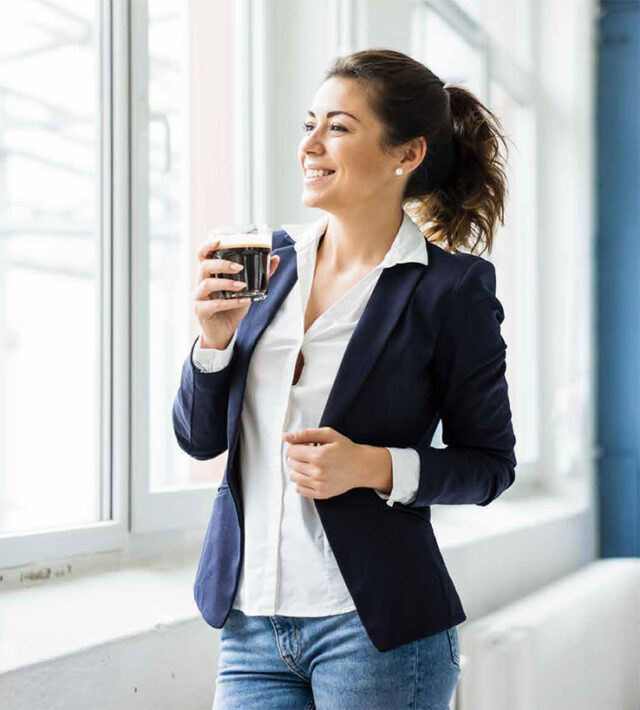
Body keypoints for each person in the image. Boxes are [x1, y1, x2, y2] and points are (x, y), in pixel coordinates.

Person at [172, 48, 516, 709]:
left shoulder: (450, 289)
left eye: (338, 126)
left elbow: (490, 465)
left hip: (376, 630)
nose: (310, 144)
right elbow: (199, 440)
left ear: (406, 154)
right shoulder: (265, 263)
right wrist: (213, 343)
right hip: (250, 626)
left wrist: (374, 466)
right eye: (310, 122)